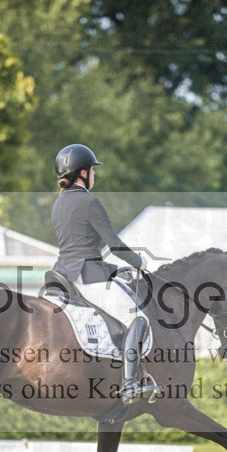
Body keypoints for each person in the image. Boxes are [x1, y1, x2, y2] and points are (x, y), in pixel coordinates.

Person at [50, 143, 162, 404]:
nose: (94, 176)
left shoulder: (58, 204)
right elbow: (114, 244)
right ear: (83, 173)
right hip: (87, 278)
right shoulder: (89, 202)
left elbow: (80, 249)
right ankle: (131, 383)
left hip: (62, 273)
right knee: (138, 318)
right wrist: (139, 261)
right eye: (92, 171)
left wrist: (114, 269)